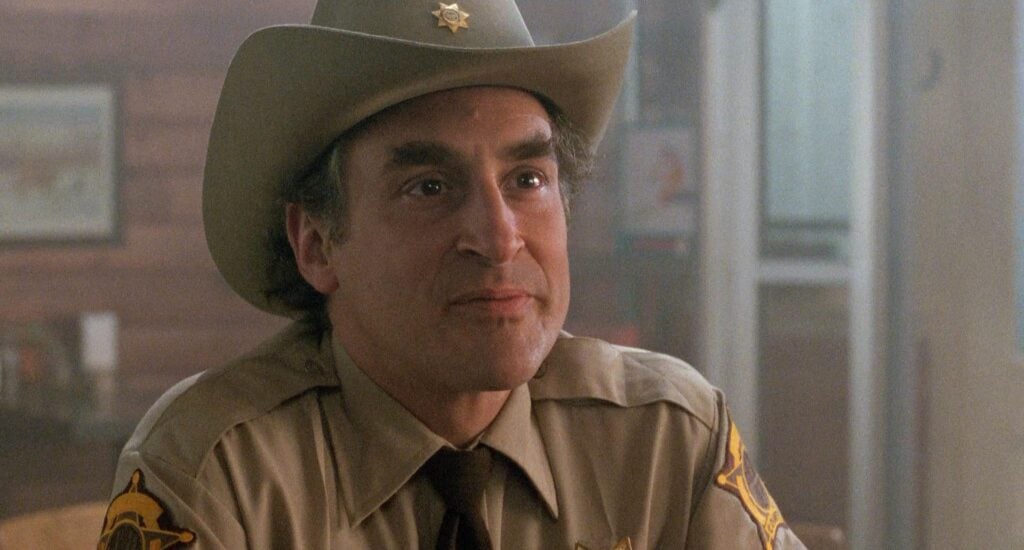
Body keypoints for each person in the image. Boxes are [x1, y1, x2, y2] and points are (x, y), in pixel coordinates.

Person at [98, 1, 806, 549]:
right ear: (316, 244)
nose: (499, 238)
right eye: (429, 187)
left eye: (527, 179)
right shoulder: (221, 470)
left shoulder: (665, 439)